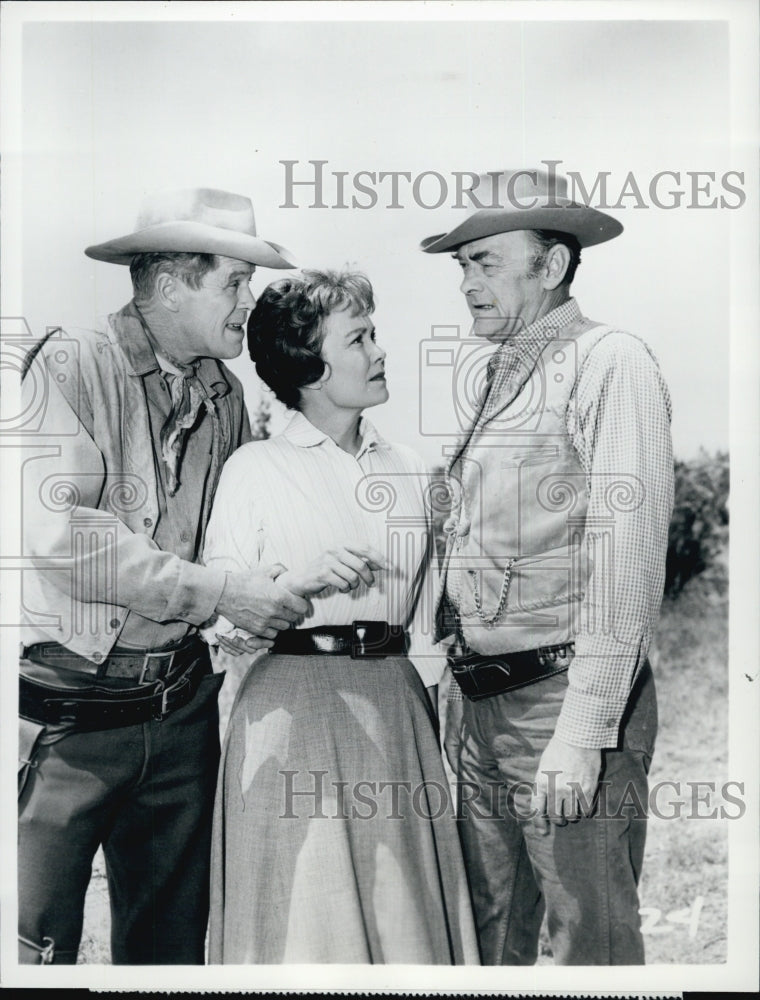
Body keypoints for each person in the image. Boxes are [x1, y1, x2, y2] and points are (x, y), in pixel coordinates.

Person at [18, 187, 311, 965]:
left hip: (182, 717)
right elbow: (62, 540)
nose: (249, 302)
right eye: (235, 282)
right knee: (31, 950)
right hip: (69, 716)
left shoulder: (226, 394)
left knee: (169, 956)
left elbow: (233, 538)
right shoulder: (69, 364)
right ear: (173, 285)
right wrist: (221, 594)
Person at [421, 167, 674, 965]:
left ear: (553, 264)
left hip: (560, 705)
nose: (467, 283)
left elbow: (627, 559)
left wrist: (585, 732)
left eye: (485, 262)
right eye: (463, 265)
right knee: (489, 939)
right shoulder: (504, 375)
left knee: (587, 946)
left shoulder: (610, 361)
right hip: (482, 707)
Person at [201, 269, 480, 964]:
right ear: (311, 366)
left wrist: (426, 718)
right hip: (290, 712)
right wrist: (293, 585)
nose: (380, 351)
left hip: (397, 711)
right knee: (305, 926)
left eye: (373, 333)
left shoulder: (413, 469)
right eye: (359, 338)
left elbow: (426, 622)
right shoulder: (254, 468)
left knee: (404, 924)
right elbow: (222, 627)